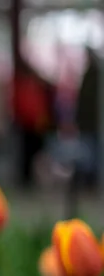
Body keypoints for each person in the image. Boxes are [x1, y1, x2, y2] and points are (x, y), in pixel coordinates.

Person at [12, 62, 55, 188]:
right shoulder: (24, 85)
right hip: (26, 125)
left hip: (37, 125)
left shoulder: (37, 86)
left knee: (36, 154)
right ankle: (26, 179)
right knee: (26, 154)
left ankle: (35, 179)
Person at [74, 49, 101, 188]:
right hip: (89, 123)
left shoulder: (94, 75)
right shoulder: (91, 74)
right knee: (89, 153)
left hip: (92, 123)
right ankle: (90, 180)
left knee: (92, 153)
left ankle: (92, 180)